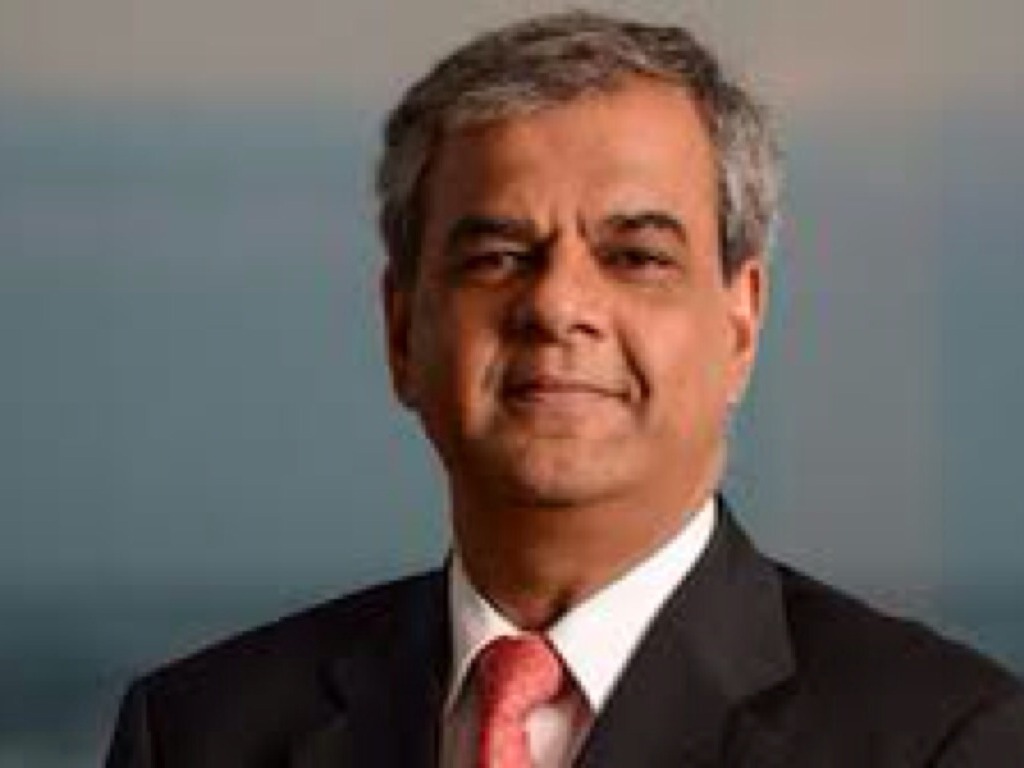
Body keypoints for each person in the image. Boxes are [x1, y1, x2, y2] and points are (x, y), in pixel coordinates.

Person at [105, 11, 1024, 767]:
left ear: (740, 323)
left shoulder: (941, 740)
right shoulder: (197, 735)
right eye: (498, 256)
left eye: (636, 256)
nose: (557, 305)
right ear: (401, 329)